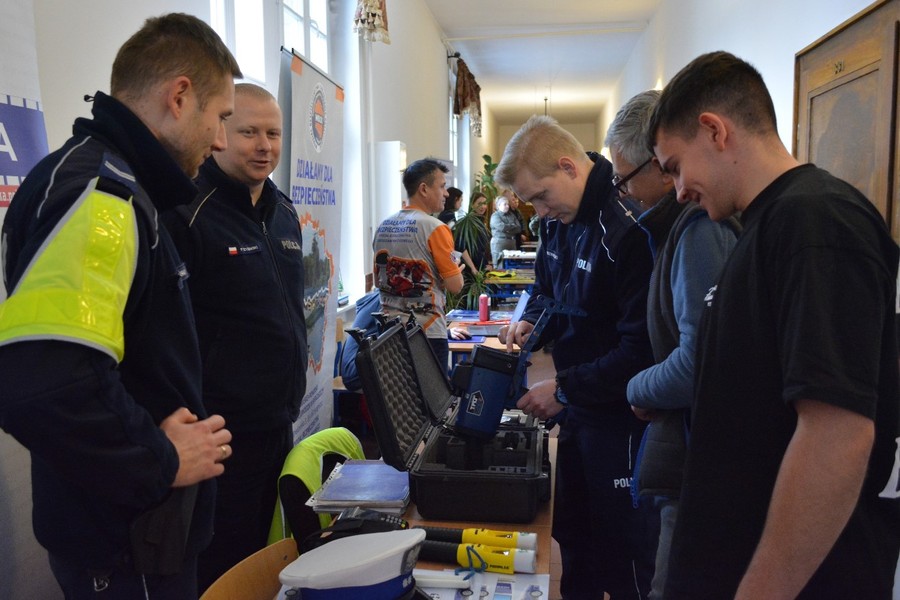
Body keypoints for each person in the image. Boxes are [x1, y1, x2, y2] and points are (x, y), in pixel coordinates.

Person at [0, 13, 240, 598]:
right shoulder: (104, 196)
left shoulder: (108, 182)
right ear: (179, 97)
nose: (220, 141)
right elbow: (45, 380)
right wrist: (159, 458)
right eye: (221, 117)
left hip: (134, 528)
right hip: (128, 538)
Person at [647, 51, 900, 599]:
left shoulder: (816, 221)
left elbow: (836, 433)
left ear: (714, 130)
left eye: (676, 166)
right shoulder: (766, 222)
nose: (678, 189)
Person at [496, 115, 657, 599]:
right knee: (574, 535)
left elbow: (640, 351)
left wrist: (564, 389)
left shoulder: (628, 228)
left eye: (542, 196)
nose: (540, 212)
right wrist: (533, 323)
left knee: (624, 551)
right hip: (577, 408)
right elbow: (547, 292)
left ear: (568, 167)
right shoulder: (556, 222)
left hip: (621, 417)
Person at [162, 83, 308, 591]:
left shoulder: (284, 211)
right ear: (219, 133)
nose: (264, 146)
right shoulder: (186, 211)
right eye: (249, 132)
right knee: (221, 568)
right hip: (219, 435)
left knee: (263, 557)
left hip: (277, 422)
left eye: (274, 134)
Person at [606, 90, 739, 599]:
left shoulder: (699, 231)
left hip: (697, 454)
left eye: (625, 179)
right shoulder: (677, 228)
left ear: (662, 167)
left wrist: (636, 387)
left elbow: (696, 360)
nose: (623, 193)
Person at [372, 158, 464, 370]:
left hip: (388, 333)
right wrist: (453, 273)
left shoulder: (383, 226)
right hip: (427, 334)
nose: (446, 194)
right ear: (424, 189)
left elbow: (378, 281)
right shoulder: (436, 228)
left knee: (399, 391)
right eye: (442, 186)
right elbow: (456, 286)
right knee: (431, 391)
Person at [489, 194, 522, 265]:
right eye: (505, 204)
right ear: (499, 206)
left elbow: (519, 228)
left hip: (512, 243)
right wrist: (513, 226)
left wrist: (508, 228)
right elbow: (502, 227)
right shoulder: (495, 216)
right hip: (499, 243)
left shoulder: (512, 215)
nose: (507, 206)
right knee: (499, 265)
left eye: (508, 204)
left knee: (513, 266)